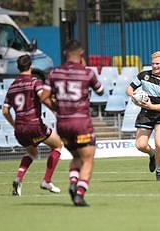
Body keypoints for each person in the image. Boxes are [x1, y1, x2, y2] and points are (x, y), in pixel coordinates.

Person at [41, 39, 104, 206]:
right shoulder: (87, 73)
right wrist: (84, 67)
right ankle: (80, 193)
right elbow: (100, 90)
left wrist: (57, 109)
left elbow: (43, 97)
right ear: (81, 53)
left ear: (65, 54)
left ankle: (73, 181)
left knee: (76, 155)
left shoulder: (54, 73)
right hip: (81, 122)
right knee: (88, 159)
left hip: (62, 124)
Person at [2, 54, 63, 196]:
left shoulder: (12, 87)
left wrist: (14, 124)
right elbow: (43, 97)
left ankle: (18, 178)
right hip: (34, 125)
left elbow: (5, 111)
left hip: (20, 129)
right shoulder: (34, 82)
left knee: (32, 152)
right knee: (58, 145)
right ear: (31, 66)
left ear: (18, 68)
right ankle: (46, 180)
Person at [126, 51, 160, 181]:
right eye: (153, 63)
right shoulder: (143, 75)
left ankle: (159, 171)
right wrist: (134, 97)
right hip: (146, 114)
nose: (155, 66)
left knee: (159, 143)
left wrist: (152, 106)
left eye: (158, 64)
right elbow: (129, 89)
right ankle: (152, 154)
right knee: (140, 145)